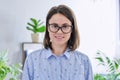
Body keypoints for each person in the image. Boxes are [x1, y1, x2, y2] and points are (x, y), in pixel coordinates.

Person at [22, 4, 93, 80]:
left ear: (72, 29)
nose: (59, 32)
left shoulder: (84, 61)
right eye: (55, 26)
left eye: (65, 26)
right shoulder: (32, 60)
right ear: (48, 28)